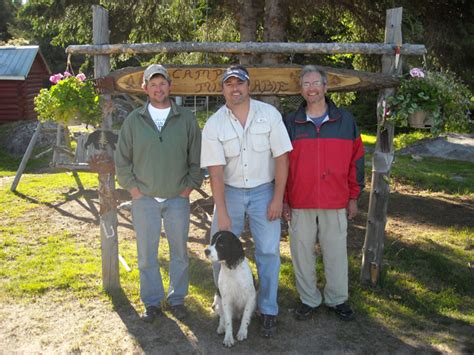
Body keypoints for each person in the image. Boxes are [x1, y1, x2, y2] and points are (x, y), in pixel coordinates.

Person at [200, 65, 292, 338]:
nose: (235, 88)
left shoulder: (269, 115)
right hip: (229, 192)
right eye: (229, 84)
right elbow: (215, 171)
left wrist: (278, 197)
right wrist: (223, 211)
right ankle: (222, 302)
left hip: (265, 191)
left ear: (248, 86)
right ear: (223, 89)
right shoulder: (214, 123)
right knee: (218, 254)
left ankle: (268, 310)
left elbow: (282, 158)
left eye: (239, 83)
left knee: (268, 252)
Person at [115, 64, 203, 323]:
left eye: (162, 83)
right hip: (145, 200)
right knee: (146, 255)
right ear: (145, 88)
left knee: (179, 254)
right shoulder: (134, 120)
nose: (158, 88)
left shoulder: (186, 118)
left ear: (169, 86)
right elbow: (122, 159)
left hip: (177, 197)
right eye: (152, 84)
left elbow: (197, 159)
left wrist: (188, 187)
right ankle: (152, 302)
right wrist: (133, 189)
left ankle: (177, 300)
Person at [283, 65, 365, 321]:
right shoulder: (290, 123)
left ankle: (337, 299)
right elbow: (280, 163)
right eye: (306, 84)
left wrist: (353, 197)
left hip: (335, 200)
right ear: (301, 89)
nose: (312, 88)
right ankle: (308, 299)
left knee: (336, 253)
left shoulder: (346, 121)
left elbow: (357, 161)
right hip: (300, 200)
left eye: (316, 83)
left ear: (326, 87)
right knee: (301, 253)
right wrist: (283, 199)